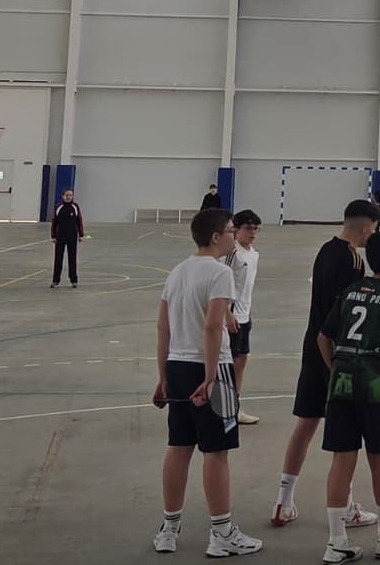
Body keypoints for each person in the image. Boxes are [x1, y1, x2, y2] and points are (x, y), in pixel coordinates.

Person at [150, 208, 262, 557]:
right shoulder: (219, 272)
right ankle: (222, 532)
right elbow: (213, 326)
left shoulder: (177, 272)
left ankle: (169, 529)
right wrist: (212, 377)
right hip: (211, 370)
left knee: (179, 446)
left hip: (177, 367)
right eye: (230, 231)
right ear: (216, 237)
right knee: (216, 452)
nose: (233, 237)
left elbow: (163, 327)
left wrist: (163, 377)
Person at [272, 198, 380, 530]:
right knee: (344, 435)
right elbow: (346, 313)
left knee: (305, 424)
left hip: (312, 345)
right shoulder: (352, 260)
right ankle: (345, 506)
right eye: (373, 229)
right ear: (366, 227)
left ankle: (283, 501)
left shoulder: (324, 251)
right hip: (334, 353)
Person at [317, 230, 380, 563]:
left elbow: (323, 338)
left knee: (341, 460)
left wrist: (336, 368)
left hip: (341, 384)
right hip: (377, 387)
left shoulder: (350, 291)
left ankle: (336, 542)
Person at [227, 209, 262, 425]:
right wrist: (226, 313)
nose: (253, 232)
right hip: (230, 317)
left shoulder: (253, 254)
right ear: (236, 230)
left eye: (256, 228)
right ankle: (220, 408)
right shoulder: (233, 254)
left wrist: (247, 313)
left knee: (241, 360)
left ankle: (234, 407)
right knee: (226, 365)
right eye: (248, 228)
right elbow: (222, 283)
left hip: (244, 316)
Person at [50, 187, 85, 289]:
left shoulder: (75, 207)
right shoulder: (58, 207)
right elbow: (54, 222)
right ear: (63, 196)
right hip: (60, 237)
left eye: (70, 195)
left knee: (72, 259)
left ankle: (74, 280)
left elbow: (79, 221)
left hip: (72, 236)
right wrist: (53, 236)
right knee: (58, 259)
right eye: (67, 195)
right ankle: (55, 280)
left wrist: (81, 234)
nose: (69, 197)